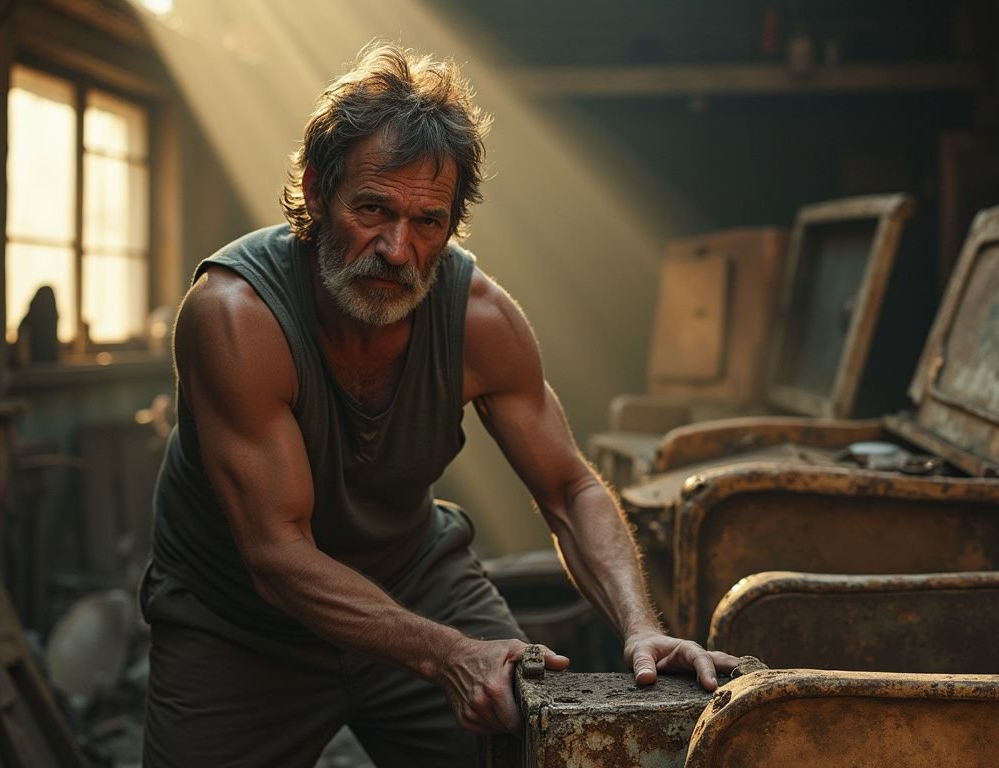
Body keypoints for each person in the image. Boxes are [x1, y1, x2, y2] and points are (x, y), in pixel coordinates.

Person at [140, 40, 739, 767]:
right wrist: (446, 653)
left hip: (413, 577)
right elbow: (278, 554)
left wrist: (639, 625)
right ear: (317, 190)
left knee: (527, 744)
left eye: (428, 222)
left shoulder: (479, 319)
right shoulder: (237, 317)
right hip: (238, 618)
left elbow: (570, 487)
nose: (398, 249)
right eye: (373, 210)